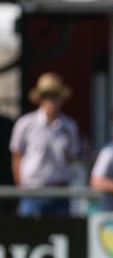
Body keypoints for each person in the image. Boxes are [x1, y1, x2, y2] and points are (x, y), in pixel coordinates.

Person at [10, 72, 81, 217]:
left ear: (61, 99)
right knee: (28, 229)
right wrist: (21, 188)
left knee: (61, 229)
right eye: (47, 96)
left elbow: (73, 158)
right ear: (40, 99)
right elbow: (17, 157)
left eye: (55, 96)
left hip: (60, 192)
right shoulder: (25, 124)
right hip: (33, 191)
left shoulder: (69, 126)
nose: (51, 101)